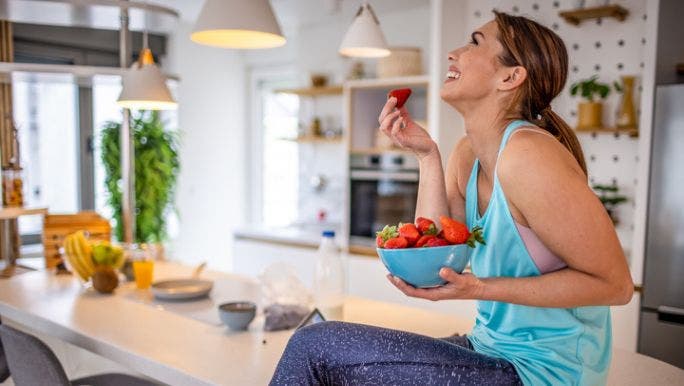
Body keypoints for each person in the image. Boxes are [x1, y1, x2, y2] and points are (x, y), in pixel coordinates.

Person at [269, 11, 633, 386]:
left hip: (544, 372)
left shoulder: (529, 156)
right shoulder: (468, 154)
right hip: (489, 350)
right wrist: (427, 156)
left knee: (314, 345)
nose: (453, 53)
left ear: (510, 76)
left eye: (475, 42)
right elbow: (432, 263)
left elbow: (616, 285)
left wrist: (479, 288)